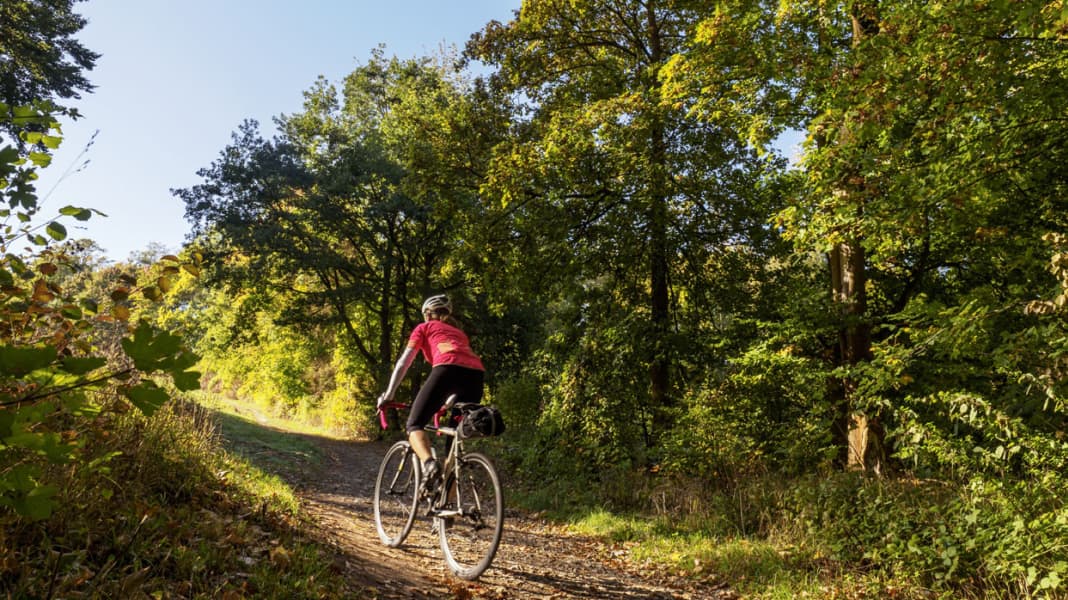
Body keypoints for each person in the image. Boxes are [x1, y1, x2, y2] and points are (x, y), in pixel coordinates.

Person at [377, 294, 484, 488]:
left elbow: (404, 363)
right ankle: (447, 510)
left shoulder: (423, 328)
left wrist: (389, 395)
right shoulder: (459, 334)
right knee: (454, 442)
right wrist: (447, 403)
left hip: (446, 370)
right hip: (476, 377)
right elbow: (463, 367)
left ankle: (429, 464)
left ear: (426, 314)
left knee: (414, 425)